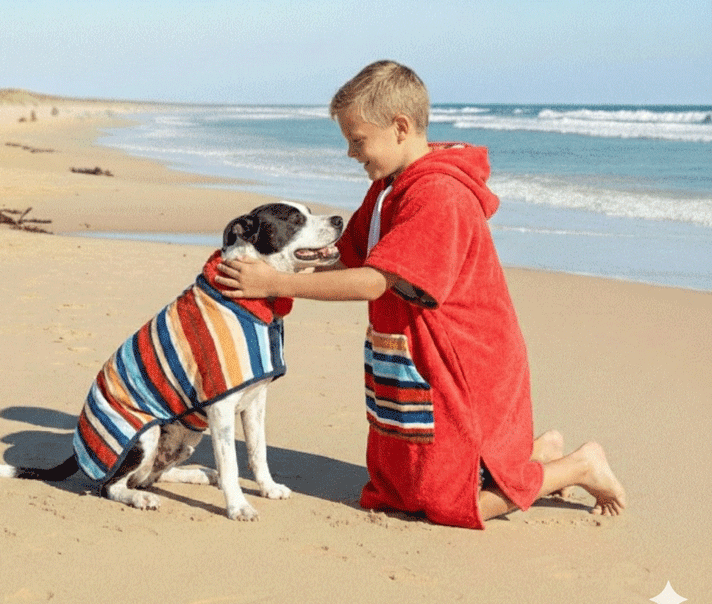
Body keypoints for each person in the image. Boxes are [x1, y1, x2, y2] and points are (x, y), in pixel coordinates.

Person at [216, 61, 626, 529]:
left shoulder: (438, 195)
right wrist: (268, 261)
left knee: (448, 504)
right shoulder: (385, 189)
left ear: (401, 128)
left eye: (357, 140)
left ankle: (577, 465)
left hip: (461, 362)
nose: (351, 153)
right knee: (399, 488)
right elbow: (344, 256)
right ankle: (535, 455)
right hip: (408, 357)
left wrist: (277, 284)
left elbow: (373, 280)